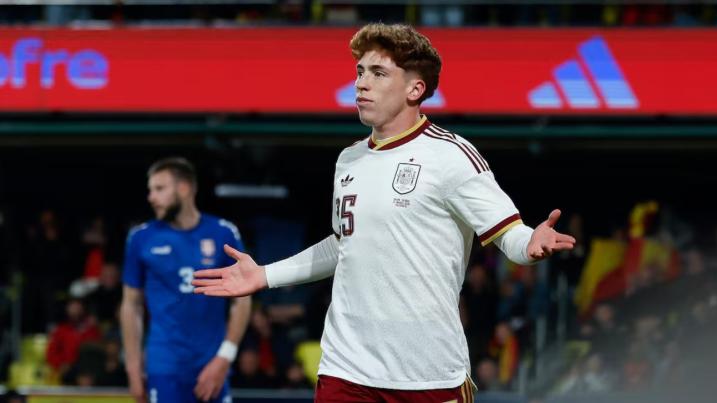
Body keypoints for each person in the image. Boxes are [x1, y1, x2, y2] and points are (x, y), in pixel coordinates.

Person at [193, 23, 575, 402]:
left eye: (378, 73)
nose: (361, 84)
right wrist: (265, 275)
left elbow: (509, 234)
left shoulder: (451, 156)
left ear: (415, 89)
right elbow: (344, 245)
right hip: (345, 370)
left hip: (428, 374)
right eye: (360, 72)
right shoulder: (349, 159)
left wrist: (530, 243)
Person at [120, 157, 251, 403]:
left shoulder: (223, 233)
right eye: (150, 190)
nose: (151, 197)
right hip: (164, 365)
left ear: (184, 188)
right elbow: (131, 305)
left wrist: (225, 357)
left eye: (159, 189)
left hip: (212, 363)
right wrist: (133, 367)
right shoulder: (141, 238)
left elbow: (242, 300)